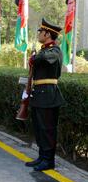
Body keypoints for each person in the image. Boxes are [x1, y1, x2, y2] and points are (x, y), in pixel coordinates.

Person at [25, 18, 65, 172]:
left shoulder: (54, 50)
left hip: (48, 95)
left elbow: (45, 58)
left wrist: (34, 57)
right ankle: (42, 156)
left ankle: (49, 160)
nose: (39, 34)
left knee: (47, 129)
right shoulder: (44, 50)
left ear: (48, 34)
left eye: (41, 31)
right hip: (39, 95)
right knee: (39, 128)